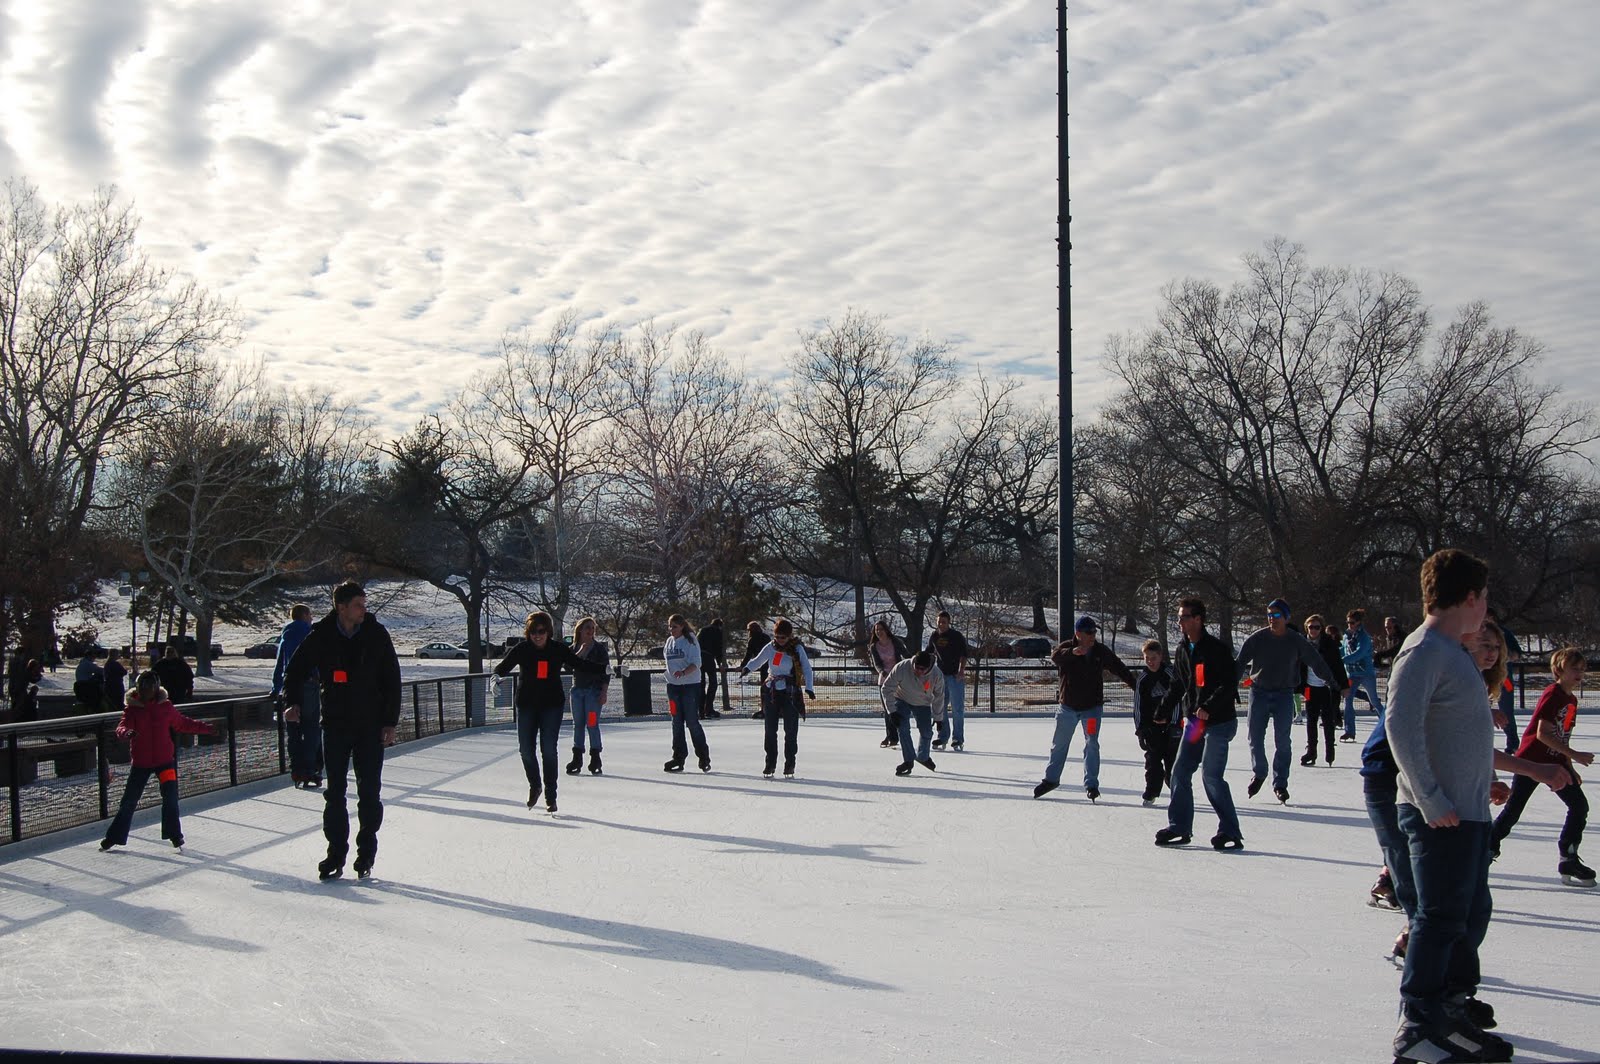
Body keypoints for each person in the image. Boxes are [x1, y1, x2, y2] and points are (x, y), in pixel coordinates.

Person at [1384, 549, 1510, 1064]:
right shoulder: (1425, 651)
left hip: (1466, 811)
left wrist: (1482, 786)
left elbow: (1454, 734)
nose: (1485, 610)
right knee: (1438, 918)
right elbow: (1399, 726)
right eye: (1484, 598)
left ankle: (1450, 1008)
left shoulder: (1450, 650)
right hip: (1439, 815)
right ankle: (1419, 1021)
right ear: (1471, 597)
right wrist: (1430, 797)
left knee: (1468, 911)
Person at [282, 580, 402, 881]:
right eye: (359, 605)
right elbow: (295, 670)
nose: (364, 609)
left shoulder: (376, 634)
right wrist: (293, 702)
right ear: (342, 607)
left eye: (365, 604)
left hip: (370, 726)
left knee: (369, 793)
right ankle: (335, 854)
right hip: (335, 724)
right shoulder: (321, 635)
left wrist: (390, 722)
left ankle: (365, 854)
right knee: (334, 792)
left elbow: (392, 679)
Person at [1490, 646, 1594, 887]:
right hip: (1531, 762)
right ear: (1559, 670)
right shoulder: (1553, 694)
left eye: (1582, 669)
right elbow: (1543, 734)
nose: (1579, 673)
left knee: (1579, 807)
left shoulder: (1571, 700)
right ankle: (1486, 850)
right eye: (1574, 669)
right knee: (1513, 811)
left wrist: (1569, 765)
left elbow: (1562, 735)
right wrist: (1575, 755)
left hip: (1555, 763)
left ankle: (1568, 857)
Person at [1154, 597, 1243, 851]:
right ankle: (1179, 826)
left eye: (1184, 617)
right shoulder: (1183, 649)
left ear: (1198, 619)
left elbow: (1229, 684)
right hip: (1196, 724)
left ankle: (1230, 831)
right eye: (1179, 617)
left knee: (1211, 776)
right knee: (1180, 772)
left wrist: (1209, 707)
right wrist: (1164, 709)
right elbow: (1179, 684)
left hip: (1219, 723)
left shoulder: (1217, 649)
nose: (1179, 621)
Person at [494, 611, 608, 811]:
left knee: (548, 749)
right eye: (533, 632)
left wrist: (605, 669)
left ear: (548, 631)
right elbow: (502, 667)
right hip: (527, 704)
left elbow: (580, 664)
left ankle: (551, 794)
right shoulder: (522, 649)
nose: (537, 636)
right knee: (526, 750)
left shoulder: (557, 649)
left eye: (541, 631)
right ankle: (535, 785)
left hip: (551, 705)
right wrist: (494, 678)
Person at [100, 671, 217, 853]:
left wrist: (206, 729)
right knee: (129, 801)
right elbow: (122, 727)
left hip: (164, 762)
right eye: (143, 689)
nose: (146, 692)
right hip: (141, 764)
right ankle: (114, 836)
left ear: (155, 689)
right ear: (138, 689)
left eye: (150, 688)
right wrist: (126, 733)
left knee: (170, 797)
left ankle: (174, 834)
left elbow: (182, 723)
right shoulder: (132, 709)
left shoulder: (165, 707)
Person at [1235, 598, 1337, 804]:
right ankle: (1260, 772)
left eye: (1276, 615)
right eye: (1269, 615)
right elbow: (1239, 663)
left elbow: (1315, 661)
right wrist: (1229, 687)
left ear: (1286, 617)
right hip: (1259, 692)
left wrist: (1332, 680)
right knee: (1255, 737)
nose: (1272, 619)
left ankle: (1280, 783)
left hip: (1283, 694)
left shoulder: (1296, 640)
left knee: (1283, 741)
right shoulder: (1258, 638)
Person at [1034, 616, 1137, 801]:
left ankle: (1091, 784)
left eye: (1094, 632)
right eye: (1089, 632)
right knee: (1059, 745)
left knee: (1091, 743)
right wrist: (1073, 653)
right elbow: (1055, 657)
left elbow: (1118, 667)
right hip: (1068, 709)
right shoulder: (1065, 648)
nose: (1093, 636)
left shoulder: (1099, 651)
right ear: (1078, 634)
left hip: (1091, 710)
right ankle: (1051, 779)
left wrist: (1136, 686)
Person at [740, 618, 815, 777]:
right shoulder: (771, 647)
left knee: (790, 730)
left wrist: (809, 688)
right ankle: (770, 763)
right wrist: (747, 668)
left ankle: (790, 763)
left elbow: (807, 669)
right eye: (777, 637)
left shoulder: (796, 649)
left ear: (789, 636)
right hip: (771, 691)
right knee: (770, 729)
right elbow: (758, 660)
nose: (780, 640)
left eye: (783, 637)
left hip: (790, 692)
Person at [272, 603, 321, 788]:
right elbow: (317, 659)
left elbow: (280, 663)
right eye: (310, 614)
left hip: (289, 686)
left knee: (293, 728)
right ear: (305, 615)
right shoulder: (310, 633)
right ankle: (310, 768)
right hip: (309, 684)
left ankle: (296, 769)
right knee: (311, 727)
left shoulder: (286, 634)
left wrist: (277, 686)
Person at [881, 651, 945, 776]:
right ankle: (908, 760)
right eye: (917, 667)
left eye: (923, 669)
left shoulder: (937, 675)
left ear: (929, 667)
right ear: (914, 662)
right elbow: (887, 688)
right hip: (902, 698)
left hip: (923, 703)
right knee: (903, 728)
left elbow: (939, 697)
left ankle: (923, 757)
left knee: (926, 731)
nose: (919, 671)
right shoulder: (902, 667)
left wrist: (938, 718)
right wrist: (892, 712)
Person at [662, 614, 710, 773]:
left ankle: (703, 756)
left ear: (682, 626)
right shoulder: (669, 642)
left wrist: (683, 673)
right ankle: (678, 757)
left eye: (674, 626)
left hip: (689, 686)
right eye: (670, 626)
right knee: (676, 722)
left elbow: (697, 663)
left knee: (691, 722)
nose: (671, 630)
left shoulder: (690, 640)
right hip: (673, 688)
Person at [1300, 614, 1349, 767]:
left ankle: (1329, 750)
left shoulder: (1329, 644)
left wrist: (1344, 685)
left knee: (1328, 720)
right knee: (1311, 720)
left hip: (1327, 688)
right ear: (1306, 628)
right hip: (1309, 687)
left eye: (1317, 627)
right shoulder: (1302, 643)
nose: (1313, 630)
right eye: (1311, 627)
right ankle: (1311, 751)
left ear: (1321, 628)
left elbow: (1338, 665)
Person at [1134, 640, 1179, 806]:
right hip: (1151, 728)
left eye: (1153, 657)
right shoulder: (1143, 679)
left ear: (1160, 656)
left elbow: (1177, 699)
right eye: (1147, 658)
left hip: (1170, 727)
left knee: (1172, 761)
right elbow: (1138, 706)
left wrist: (1174, 723)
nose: (1150, 661)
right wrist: (1140, 730)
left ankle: (1177, 790)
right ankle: (1151, 791)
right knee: (1152, 761)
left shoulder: (1170, 674)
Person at [565, 617, 611, 777]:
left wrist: (604, 692)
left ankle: (595, 757)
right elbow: (568, 666)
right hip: (577, 691)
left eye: (592, 628)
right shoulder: (573, 648)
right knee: (578, 724)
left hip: (593, 692)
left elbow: (606, 672)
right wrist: (580, 652)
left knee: (592, 723)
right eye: (587, 628)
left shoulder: (599, 649)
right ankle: (577, 757)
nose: (590, 631)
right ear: (580, 630)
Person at [926, 610, 969, 751]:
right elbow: (929, 653)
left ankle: (958, 738)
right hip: (940, 677)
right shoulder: (934, 636)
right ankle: (943, 736)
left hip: (955, 677)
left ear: (948, 622)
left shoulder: (956, 636)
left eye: (944, 622)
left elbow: (964, 654)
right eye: (939, 622)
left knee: (957, 709)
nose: (941, 624)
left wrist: (961, 670)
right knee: (940, 707)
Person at [1340, 608, 1384, 742]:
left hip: (1366, 673)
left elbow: (1359, 653)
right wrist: (1334, 656)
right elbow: (1343, 649)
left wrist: (1342, 660)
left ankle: (1387, 726)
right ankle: (1349, 731)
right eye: (1348, 622)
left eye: (1352, 623)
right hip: (1352, 674)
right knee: (1348, 700)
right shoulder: (1346, 636)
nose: (1350, 625)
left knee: (1374, 701)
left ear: (1359, 623)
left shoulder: (1364, 637)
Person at [868, 619, 907, 748]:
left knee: (896, 708)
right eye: (876, 630)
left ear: (886, 630)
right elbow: (877, 663)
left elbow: (905, 655)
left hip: (897, 678)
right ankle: (891, 736)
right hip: (884, 679)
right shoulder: (874, 647)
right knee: (887, 709)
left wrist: (914, 662)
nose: (879, 632)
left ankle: (897, 735)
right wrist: (882, 671)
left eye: (881, 629)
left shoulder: (895, 642)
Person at [1488, 608, 1522, 753]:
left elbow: (1518, 653)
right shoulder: (1476, 632)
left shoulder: (1504, 633)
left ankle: (1513, 743)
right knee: (1481, 709)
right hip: (1485, 678)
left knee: (1506, 710)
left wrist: (1505, 657)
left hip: (1504, 678)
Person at [738, 621, 771, 720]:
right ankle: (774, 708)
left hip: (763, 665)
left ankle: (765, 709)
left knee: (764, 688)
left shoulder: (752, 639)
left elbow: (749, 654)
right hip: (771, 665)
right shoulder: (766, 637)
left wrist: (743, 666)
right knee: (771, 688)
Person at [699, 616, 727, 719]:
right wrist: (719, 663)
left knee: (701, 685)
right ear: (720, 625)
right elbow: (718, 648)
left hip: (698, 658)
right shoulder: (718, 632)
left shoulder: (702, 630)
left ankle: (700, 710)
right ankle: (709, 708)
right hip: (709, 657)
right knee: (713, 683)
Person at [103, 649, 128, 713]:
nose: (118, 656)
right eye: (117, 654)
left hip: (108, 686)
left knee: (111, 704)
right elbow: (124, 672)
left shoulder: (107, 663)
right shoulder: (115, 664)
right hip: (117, 686)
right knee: (119, 703)